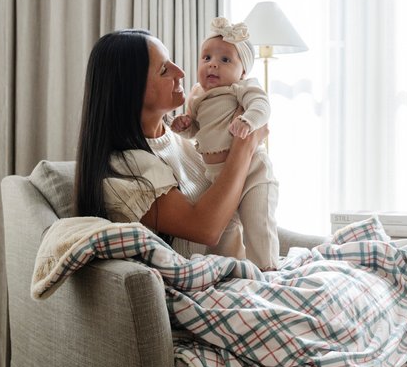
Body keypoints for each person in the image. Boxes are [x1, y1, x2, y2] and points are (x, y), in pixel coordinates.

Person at [73, 28, 269, 263]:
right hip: (201, 289)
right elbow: (206, 229)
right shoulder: (125, 172)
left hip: (237, 271)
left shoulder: (184, 138)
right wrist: (244, 145)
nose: (182, 72)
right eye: (165, 69)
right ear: (130, 88)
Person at [171, 18, 280, 270]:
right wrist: (185, 126)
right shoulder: (197, 96)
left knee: (258, 226)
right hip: (218, 179)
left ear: (242, 71)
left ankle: (269, 273)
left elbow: (262, 106)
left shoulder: (240, 87)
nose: (213, 65)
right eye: (206, 57)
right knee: (223, 240)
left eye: (225, 60)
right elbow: (198, 132)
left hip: (253, 170)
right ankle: (231, 275)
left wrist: (247, 120)